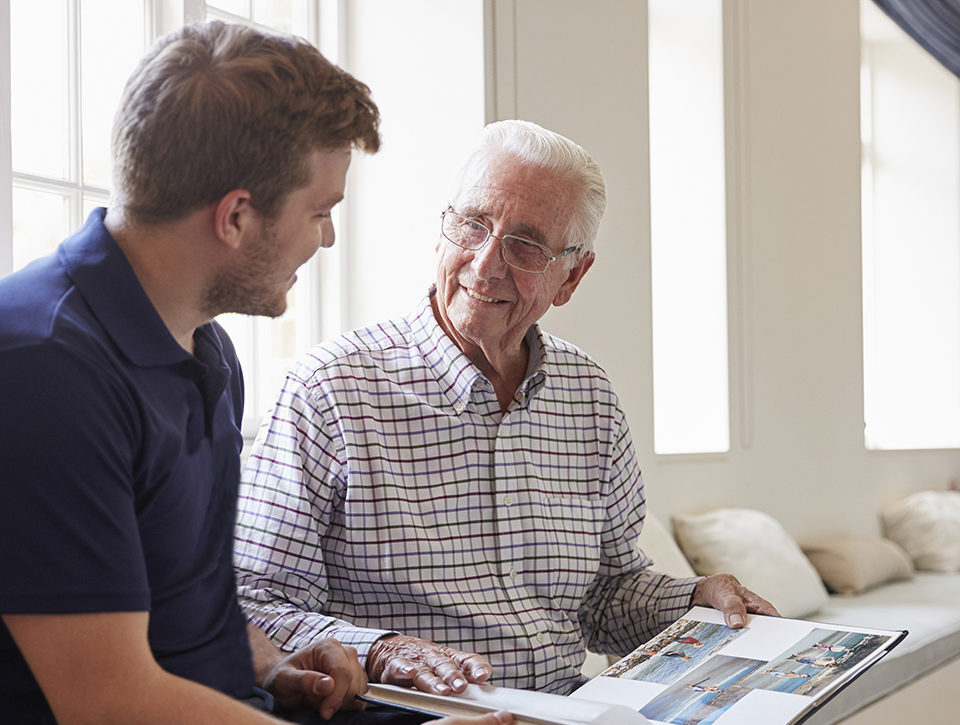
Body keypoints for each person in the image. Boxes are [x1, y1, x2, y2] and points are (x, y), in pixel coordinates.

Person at [0, 20, 509, 725]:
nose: (327, 237)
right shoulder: (42, 371)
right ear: (236, 216)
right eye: (320, 212)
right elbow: (108, 701)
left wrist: (273, 665)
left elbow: (185, 602)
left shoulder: (206, 349)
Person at [234, 119, 778, 697]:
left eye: (524, 244)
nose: (485, 263)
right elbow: (254, 603)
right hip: (416, 712)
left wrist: (694, 598)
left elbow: (604, 596)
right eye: (471, 224)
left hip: (569, 707)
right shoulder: (331, 389)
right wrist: (382, 651)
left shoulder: (589, 398)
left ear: (571, 275)